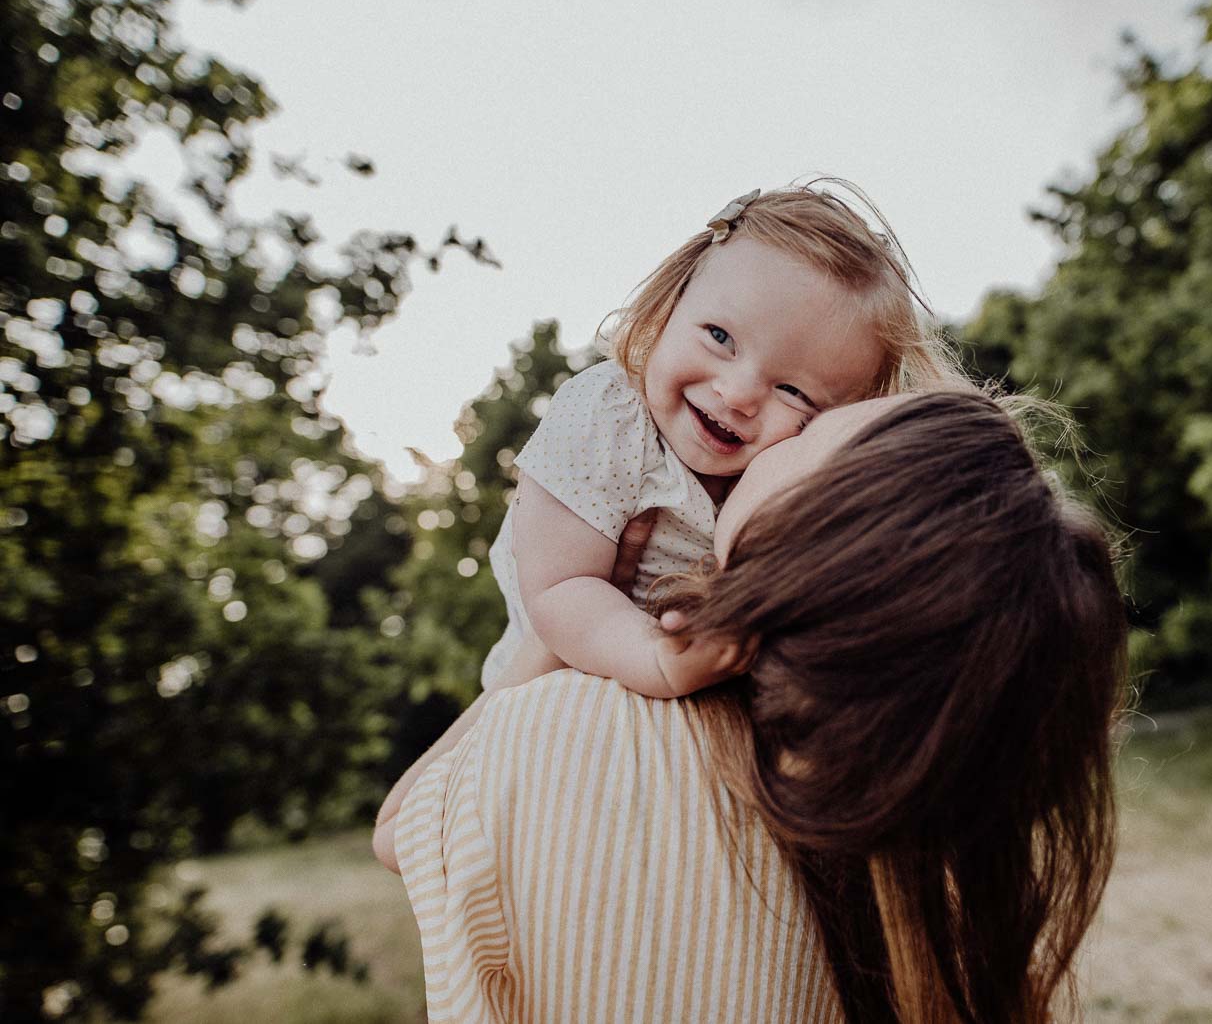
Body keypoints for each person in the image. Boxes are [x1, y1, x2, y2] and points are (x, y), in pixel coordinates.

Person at [376, 390, 1129, 1023]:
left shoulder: (568, 732)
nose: (764, 446)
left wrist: (560, 628)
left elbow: (398, 834)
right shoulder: (936, 865)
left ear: (820, 529)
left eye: (810, 430)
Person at [479, 178, 964, 700]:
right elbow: (560, 590)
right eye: (719, 337)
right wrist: (653, 655)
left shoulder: (795, 472)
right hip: (553, 676)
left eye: (794, 391)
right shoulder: (607, 415)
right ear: (669, 304)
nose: (736, 395)